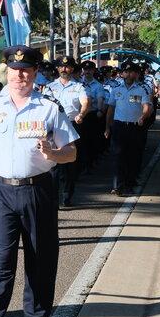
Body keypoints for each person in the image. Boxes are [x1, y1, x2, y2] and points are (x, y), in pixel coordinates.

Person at [0, 46, 78, 317]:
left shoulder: (48, 107)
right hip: (3, 192)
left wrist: (53, 153)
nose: (20, 75)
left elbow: (71, 152)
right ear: (8, 71)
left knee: (39, 260)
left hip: (37, 191)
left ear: (35, 73)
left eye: (26, 70)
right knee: (2, 262)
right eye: (15, 69)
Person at [46, 55, 89, 206]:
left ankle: (67, 196)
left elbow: (85, 103)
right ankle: (53, 198)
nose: (64, 69)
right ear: (57, 68)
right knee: (53, 163)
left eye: (68, 67)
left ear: (72, 69)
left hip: (72, 125)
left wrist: (81, 114)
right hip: (54, 128)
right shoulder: (50, 87)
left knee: (70, 164)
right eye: (61, 67)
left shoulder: (79, 87)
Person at [103, 62, 152, 197]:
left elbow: (147, 106)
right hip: (119, 126)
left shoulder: (143, 89)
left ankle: (130, 184)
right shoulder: (116, 90)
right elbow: (110, 109)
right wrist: (107, 127)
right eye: (126, 72)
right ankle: (117, 186)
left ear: (137, 74)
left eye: (131, 72)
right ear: (122, 74)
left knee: (133, 157)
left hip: (135, 127)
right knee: (118, 155)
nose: (128, 74)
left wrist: (143, 116)